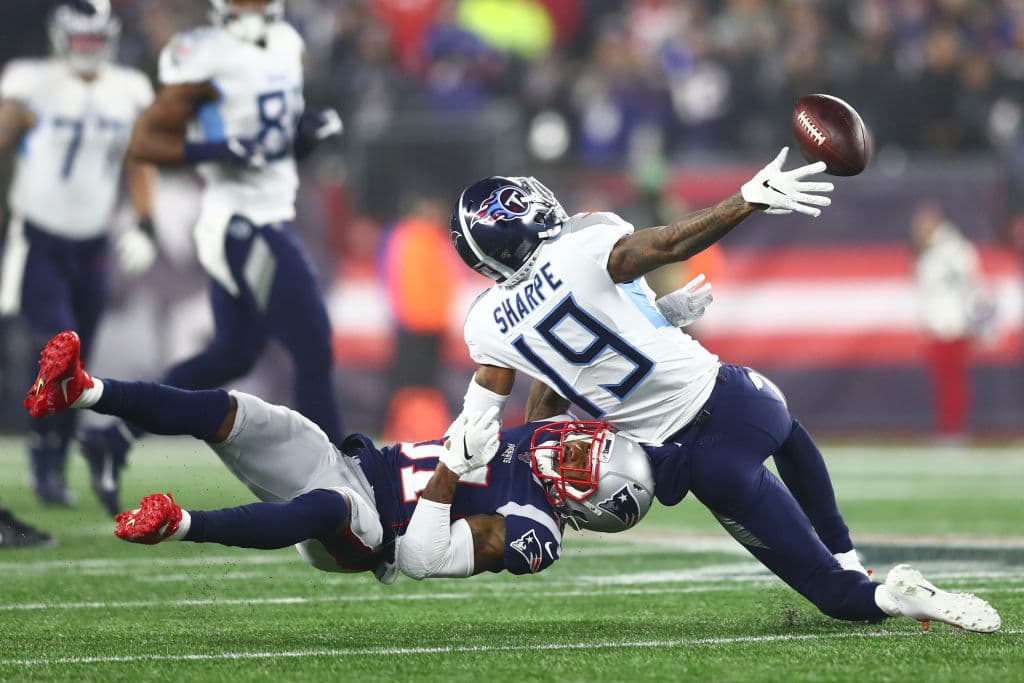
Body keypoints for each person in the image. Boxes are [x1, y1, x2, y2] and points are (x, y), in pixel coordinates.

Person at [24, 330, 1001, 631]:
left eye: (578, 465)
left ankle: (178, 522)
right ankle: (89, 385)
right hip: (354, 456)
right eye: (582, 442)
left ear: (582, 504)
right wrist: (511, 356)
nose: (566, 452)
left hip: (366, 525)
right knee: (239, 411)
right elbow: (529, 388)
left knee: (323, 507)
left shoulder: (529, 529)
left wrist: (452, 466)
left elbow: (421, 553)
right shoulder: (549, 439)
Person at [446, 160, 870, 591]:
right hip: (721, 401)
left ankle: (843, 572)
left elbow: (488, 419)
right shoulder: (581, 242)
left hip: (662, 452)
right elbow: (668, 246)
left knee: (823, 579)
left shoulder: (487, 320)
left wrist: (451, 482)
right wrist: (745, 201)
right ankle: (844, 554)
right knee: (788, 434)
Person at [80, 0, 346, 516]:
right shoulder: (204, 54)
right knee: (312, 346)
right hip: (240, 224)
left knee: (232, 354)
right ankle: (339, 484)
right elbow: (148, 141)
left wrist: (301, 135)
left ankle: (115, 437)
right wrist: (218, 152)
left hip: (263, 214)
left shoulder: (287, 45)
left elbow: (270, 143)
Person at [0, 0, 158, 508]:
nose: (88, 49)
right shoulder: (30, 81)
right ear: (61, 37)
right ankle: (45, 458)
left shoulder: (129, 89)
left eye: (96, 39)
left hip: (91, 243)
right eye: (80, 39)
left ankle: (54, 457)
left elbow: (139, 159)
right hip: (38, 238)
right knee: (57, 346)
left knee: (75, 359)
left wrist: (145, 222)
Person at [909, 201, 993, 441]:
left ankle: (954, 429)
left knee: (953, 381)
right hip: (938, 326)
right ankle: (949, 428)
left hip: (953, 326)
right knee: (944, 381)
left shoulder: (954, 250)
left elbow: (974, 287)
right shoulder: (929, 252)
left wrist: (978, 324)